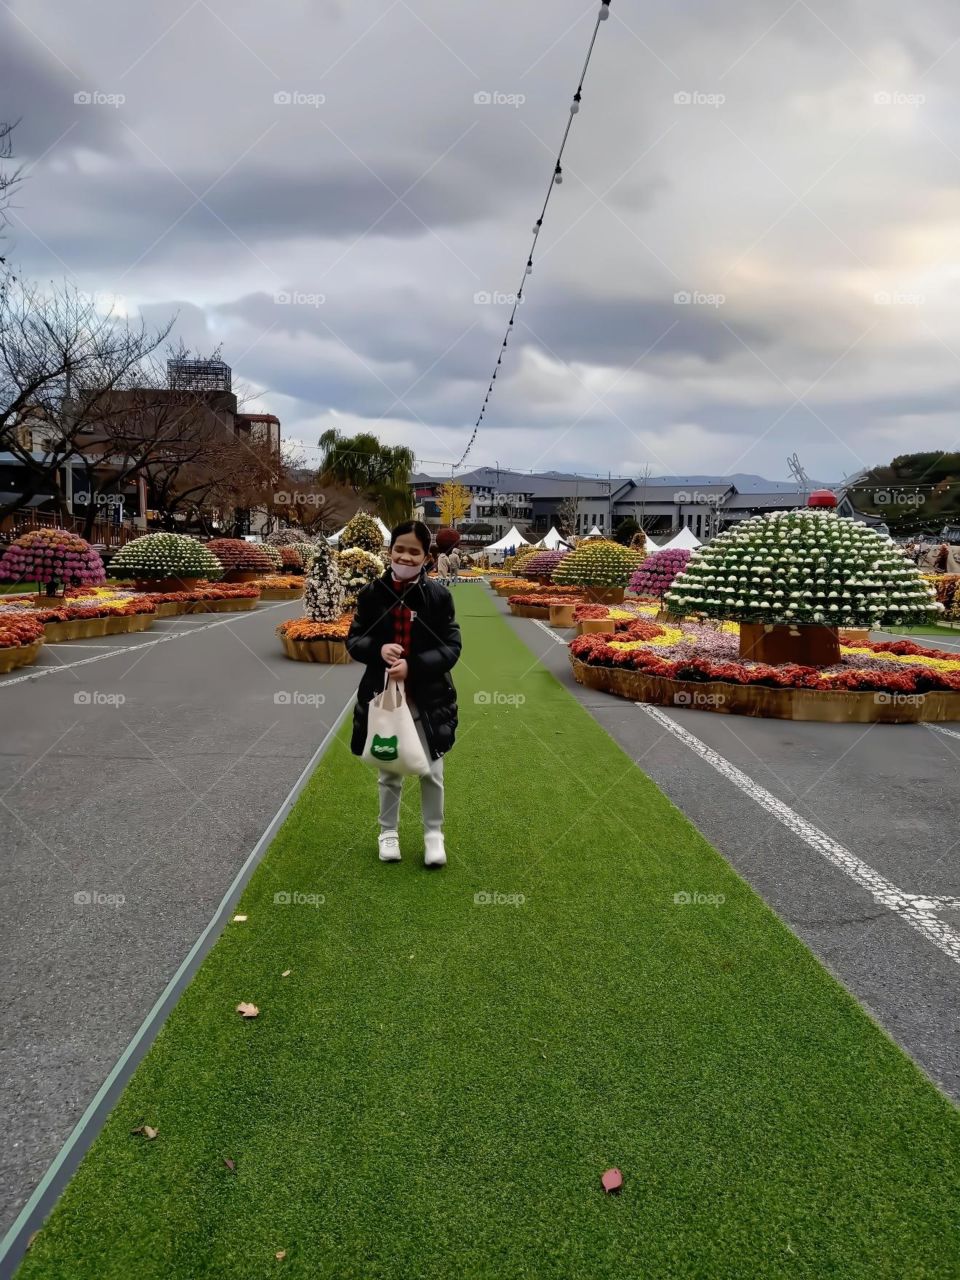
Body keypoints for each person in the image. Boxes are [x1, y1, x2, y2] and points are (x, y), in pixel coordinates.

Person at [346, 520, 462, 868]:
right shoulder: (371, 594)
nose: (406, 556)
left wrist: (414, 666)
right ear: (390, 551)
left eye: (415, 551)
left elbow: (452, 646)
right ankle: (388, 832)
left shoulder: (438, 596)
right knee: (389, 769)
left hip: (429, 699)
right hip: (383, 698)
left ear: (427, 557)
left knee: (432, 771)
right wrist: (377, 650)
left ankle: (433, 835)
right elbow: (354, 640)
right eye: (400, 549)